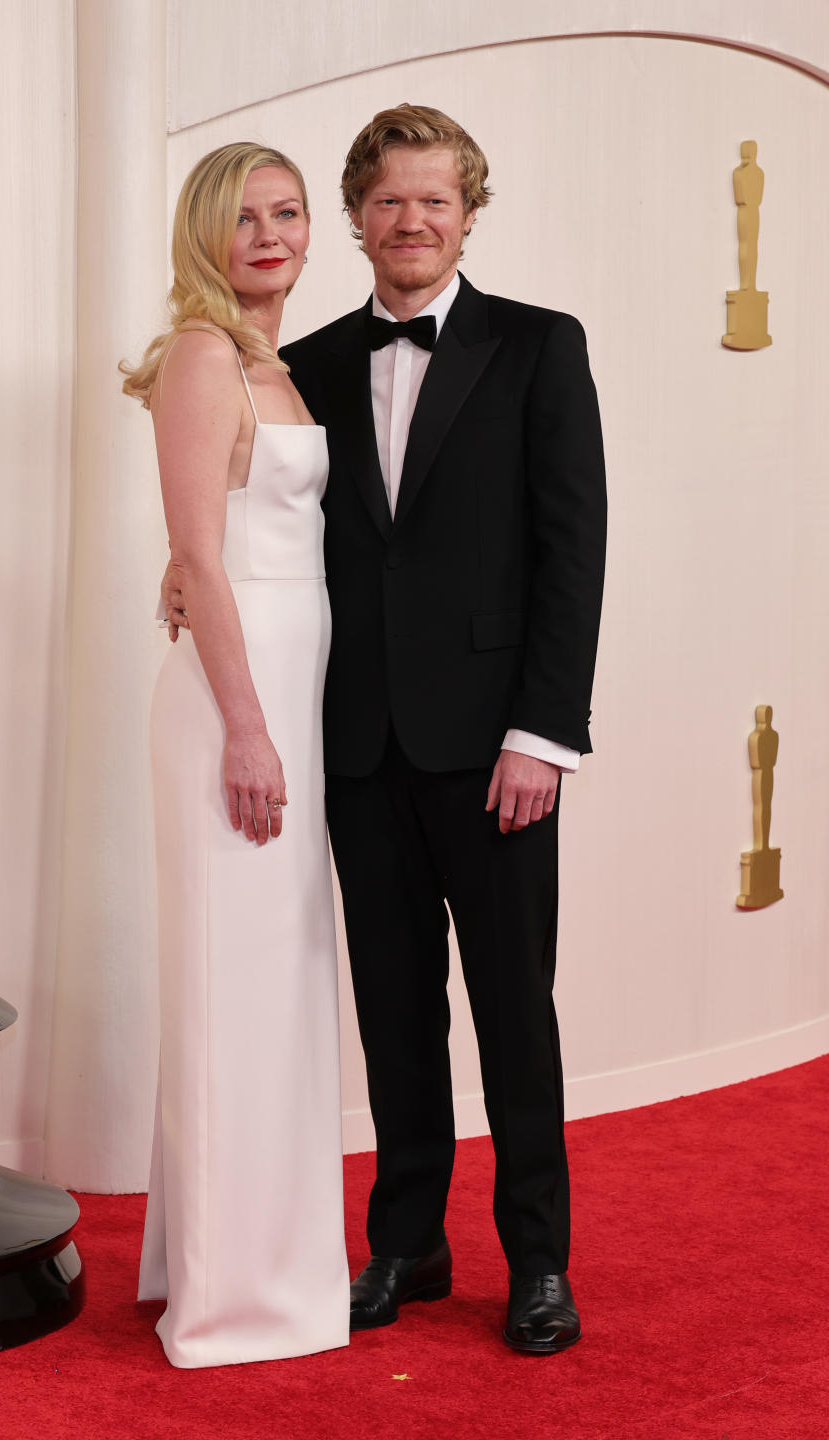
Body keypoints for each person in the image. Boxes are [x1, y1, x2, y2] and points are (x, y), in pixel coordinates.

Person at [163, 103, 607, 1355]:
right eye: (389, 200)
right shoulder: (296, 362)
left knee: (515, 1012)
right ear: (356, 217)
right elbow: (248, 508)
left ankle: (539, 1265)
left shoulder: (539, 348)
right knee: (394, 1014)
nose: (411, 221)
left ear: (467, 214)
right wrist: (179, 570)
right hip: (352, 748)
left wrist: (545, 734)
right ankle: (405, 1245)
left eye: (436, 200)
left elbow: (574, 554)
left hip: (496, 753)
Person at [122, 142, 349, 1368]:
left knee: (276, 984)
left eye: (287, 212)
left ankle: (236, 1258)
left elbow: (238, 527)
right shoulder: (204, 355)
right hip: (236, 703)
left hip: (288, 688)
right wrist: (249, 728)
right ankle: (235, 1296)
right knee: (235, 985)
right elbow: (203, 557)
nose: (268, 233)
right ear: (204, 235)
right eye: (243, 216)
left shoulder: (279, 364)